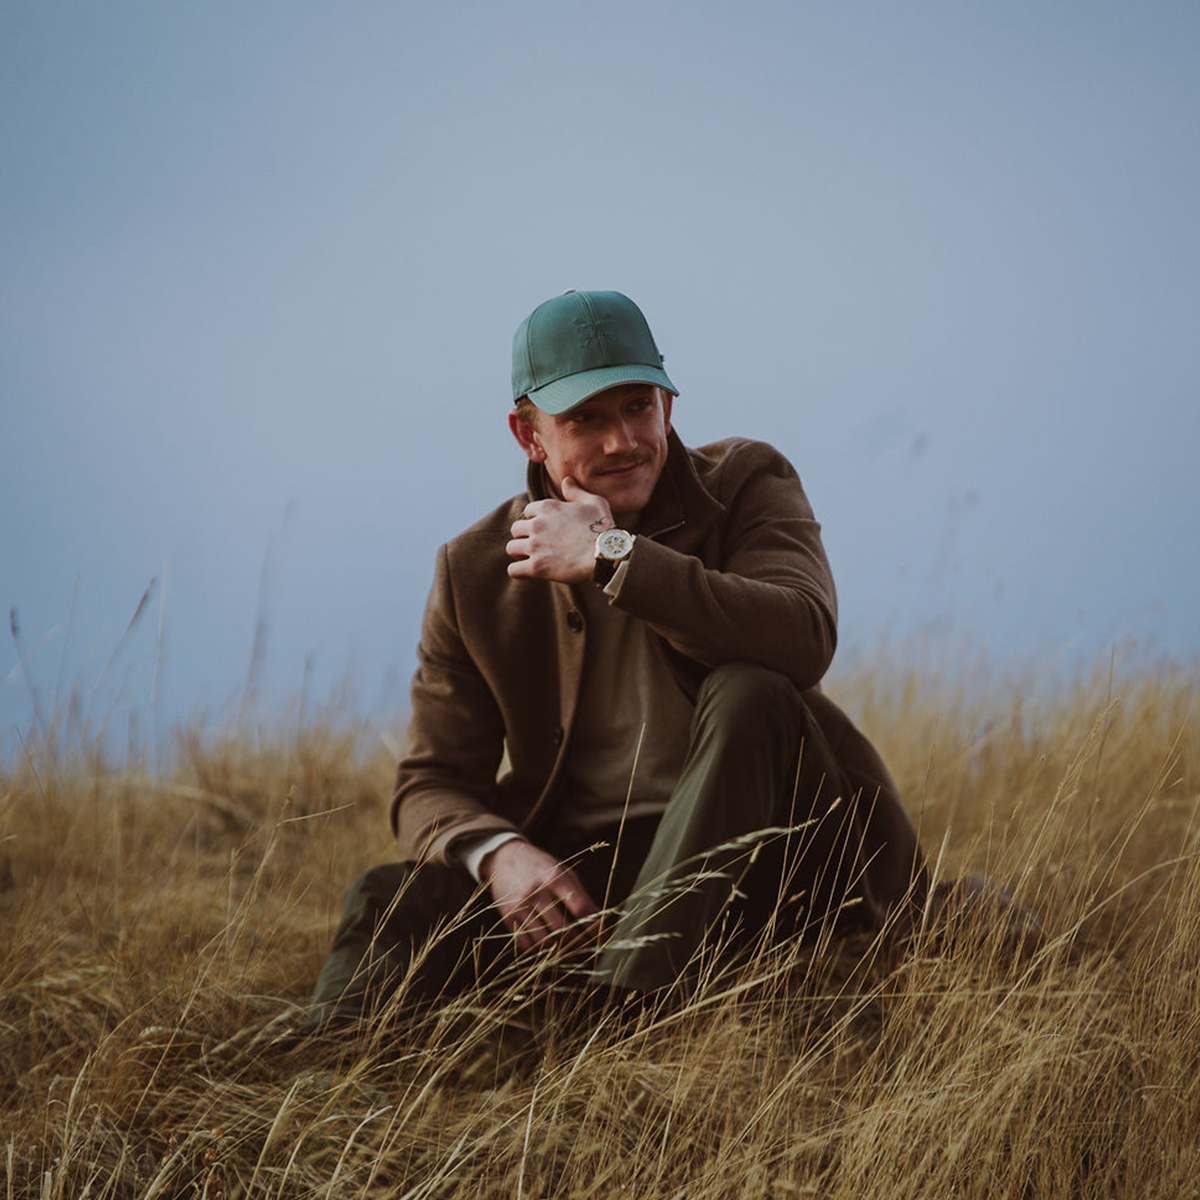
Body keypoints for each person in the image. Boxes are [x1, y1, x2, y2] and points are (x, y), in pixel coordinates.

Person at [308, 289, 927, 1028]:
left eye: (638, 406)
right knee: (392, 898)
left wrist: (614, 557)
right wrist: (502, 855)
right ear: (529, 435)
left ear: (668, 403)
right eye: (586, 419)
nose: (622, 441)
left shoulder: (747, 482)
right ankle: (322, 1066)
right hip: (598, 879)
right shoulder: (473, 571)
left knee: (750, 690)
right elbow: (430, 782)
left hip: (782, 857)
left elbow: (804, 635)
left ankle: (618, 1013)